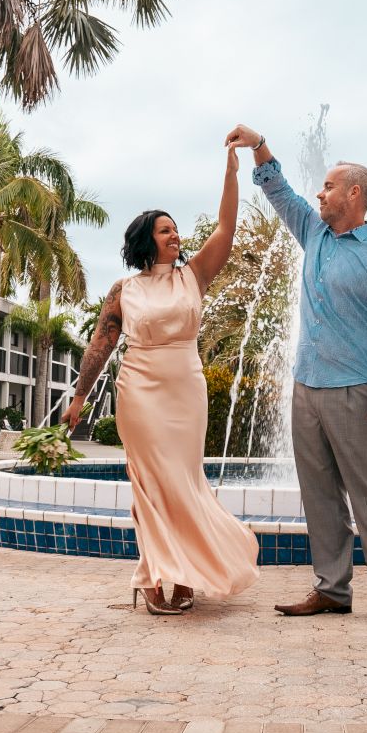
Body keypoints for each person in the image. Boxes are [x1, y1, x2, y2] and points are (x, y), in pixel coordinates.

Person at [224, 123, 367, 626]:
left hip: (358, 389)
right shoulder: (314, 233)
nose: (319, 193)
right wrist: (259, 144)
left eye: (328, 187)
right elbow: (279, 192)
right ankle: (331, 589)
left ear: (354, 194)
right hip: (306, 387)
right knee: (319, 495)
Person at [66, 147, 259, 616]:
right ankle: (155, 572)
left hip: (185, 388)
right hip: (139, 389)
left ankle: (187, 569)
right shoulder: (124, 291)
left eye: (175, 229)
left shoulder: (194, 276)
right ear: (146, 240)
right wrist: (79, 397)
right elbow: (101, 344)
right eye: (166, 230)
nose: (176, 235)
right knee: (150, 485)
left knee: (184, 481)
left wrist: (231, 174)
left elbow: (226, 230)